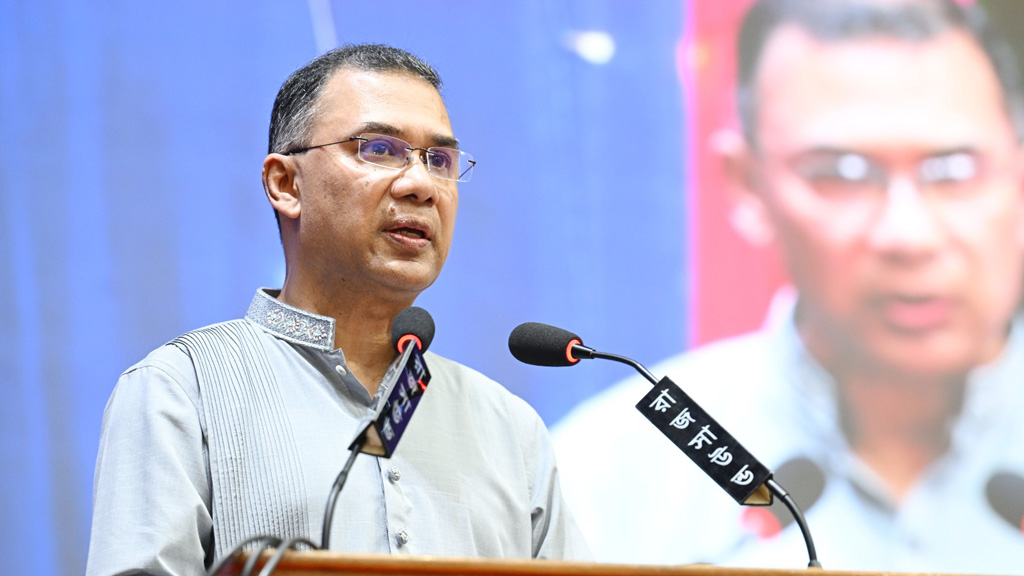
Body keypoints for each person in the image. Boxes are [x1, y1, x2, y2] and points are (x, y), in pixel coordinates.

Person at [552, 0, 1024, 573]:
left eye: (953, 171)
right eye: (843, 175)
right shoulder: (612, 476)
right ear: (748, 186)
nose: (909, 235)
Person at [86, 44, 589, 576]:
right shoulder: (181, 391)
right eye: (380, 149)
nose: (421, 185)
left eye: (439, 160)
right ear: (286, 184)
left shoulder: (509, 427)